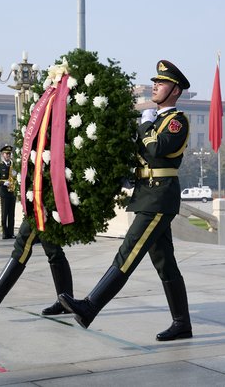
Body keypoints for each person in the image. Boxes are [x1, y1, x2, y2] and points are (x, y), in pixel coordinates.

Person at [59, 60, 193, 341]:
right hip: (147, 193)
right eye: (155, 82)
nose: (156, 86)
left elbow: (157, 150)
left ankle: (91, 305)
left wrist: (144, 128)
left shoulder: (176, 121)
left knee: (129, 251)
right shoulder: (155, 120)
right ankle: (182, 323)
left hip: (159, 197)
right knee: (164, 262)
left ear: (176, 91)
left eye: (162, 83)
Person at [0, 219, 75, 315]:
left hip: (43, 209)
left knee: (30, 246)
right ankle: (66, 300)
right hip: (38, 207)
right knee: (51, 250)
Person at [0, 145, 16, 239]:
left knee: (11, 214)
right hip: (4, 192)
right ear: (2, 154)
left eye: (9, 153)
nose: (8, 155)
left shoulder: (14, 165)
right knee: (4, 213)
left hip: (12, 191)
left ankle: (11, 232)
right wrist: (2, 182)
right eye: (6, 153)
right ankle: (5, 233)